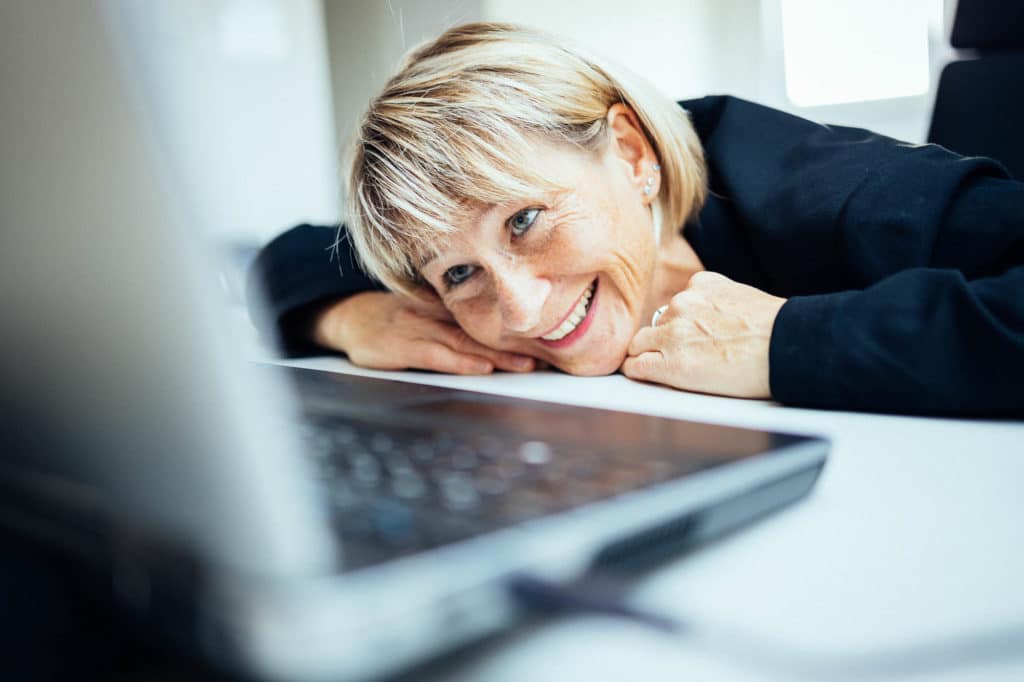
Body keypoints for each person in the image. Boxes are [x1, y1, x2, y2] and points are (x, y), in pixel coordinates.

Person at [246, 22, 1024, 416]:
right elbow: (286, 255)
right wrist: (347, 316)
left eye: (523, 221)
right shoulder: (462, 280)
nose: (519, 308)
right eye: (458, 273)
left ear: (631, 153)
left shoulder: (826, 188)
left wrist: (792, 342)